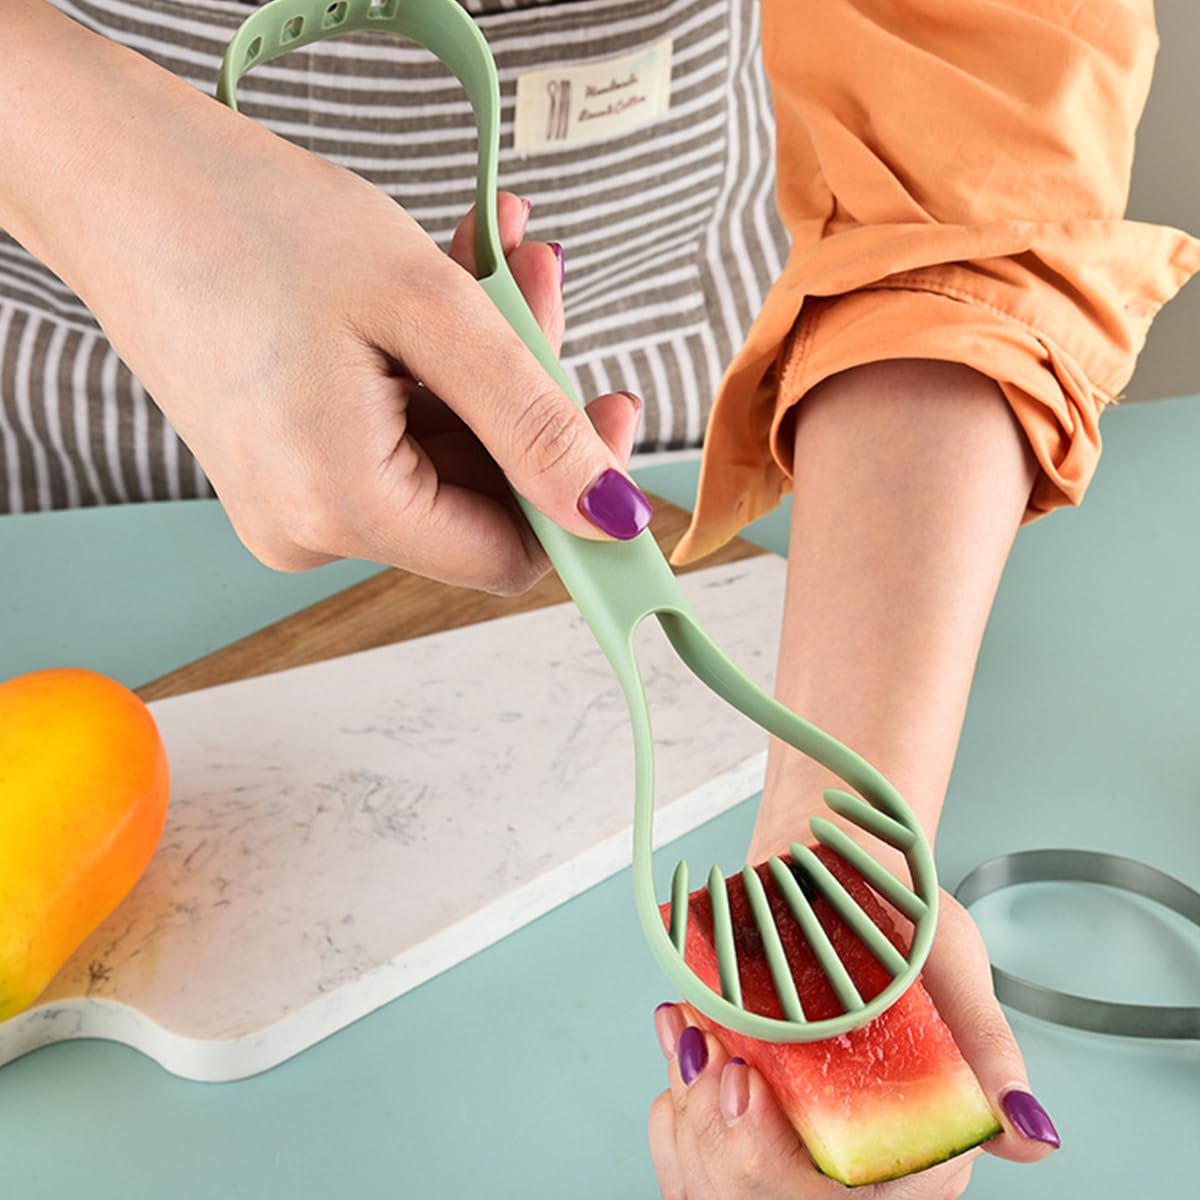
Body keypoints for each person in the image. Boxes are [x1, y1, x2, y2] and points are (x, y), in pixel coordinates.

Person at [2, 3, 1196, 1199]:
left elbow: (963, 143)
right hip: (86, 403)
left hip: (688, 360)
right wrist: (97, 161)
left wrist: (842, 842)